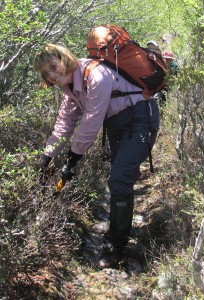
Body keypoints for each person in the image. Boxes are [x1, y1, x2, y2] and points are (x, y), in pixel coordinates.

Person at [34, 43, 160, 268]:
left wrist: (73, 159)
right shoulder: (70, 86)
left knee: (119, 179)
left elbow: (91, 120)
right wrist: (48, 155)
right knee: (120, 179)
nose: (52, 75)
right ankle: (116, 230)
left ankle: (116, 246)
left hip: (141, 118)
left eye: (54, 66)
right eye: (46, 73)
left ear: (65, 58)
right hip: (116, 124)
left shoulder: (96, 76)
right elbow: (65, 123)